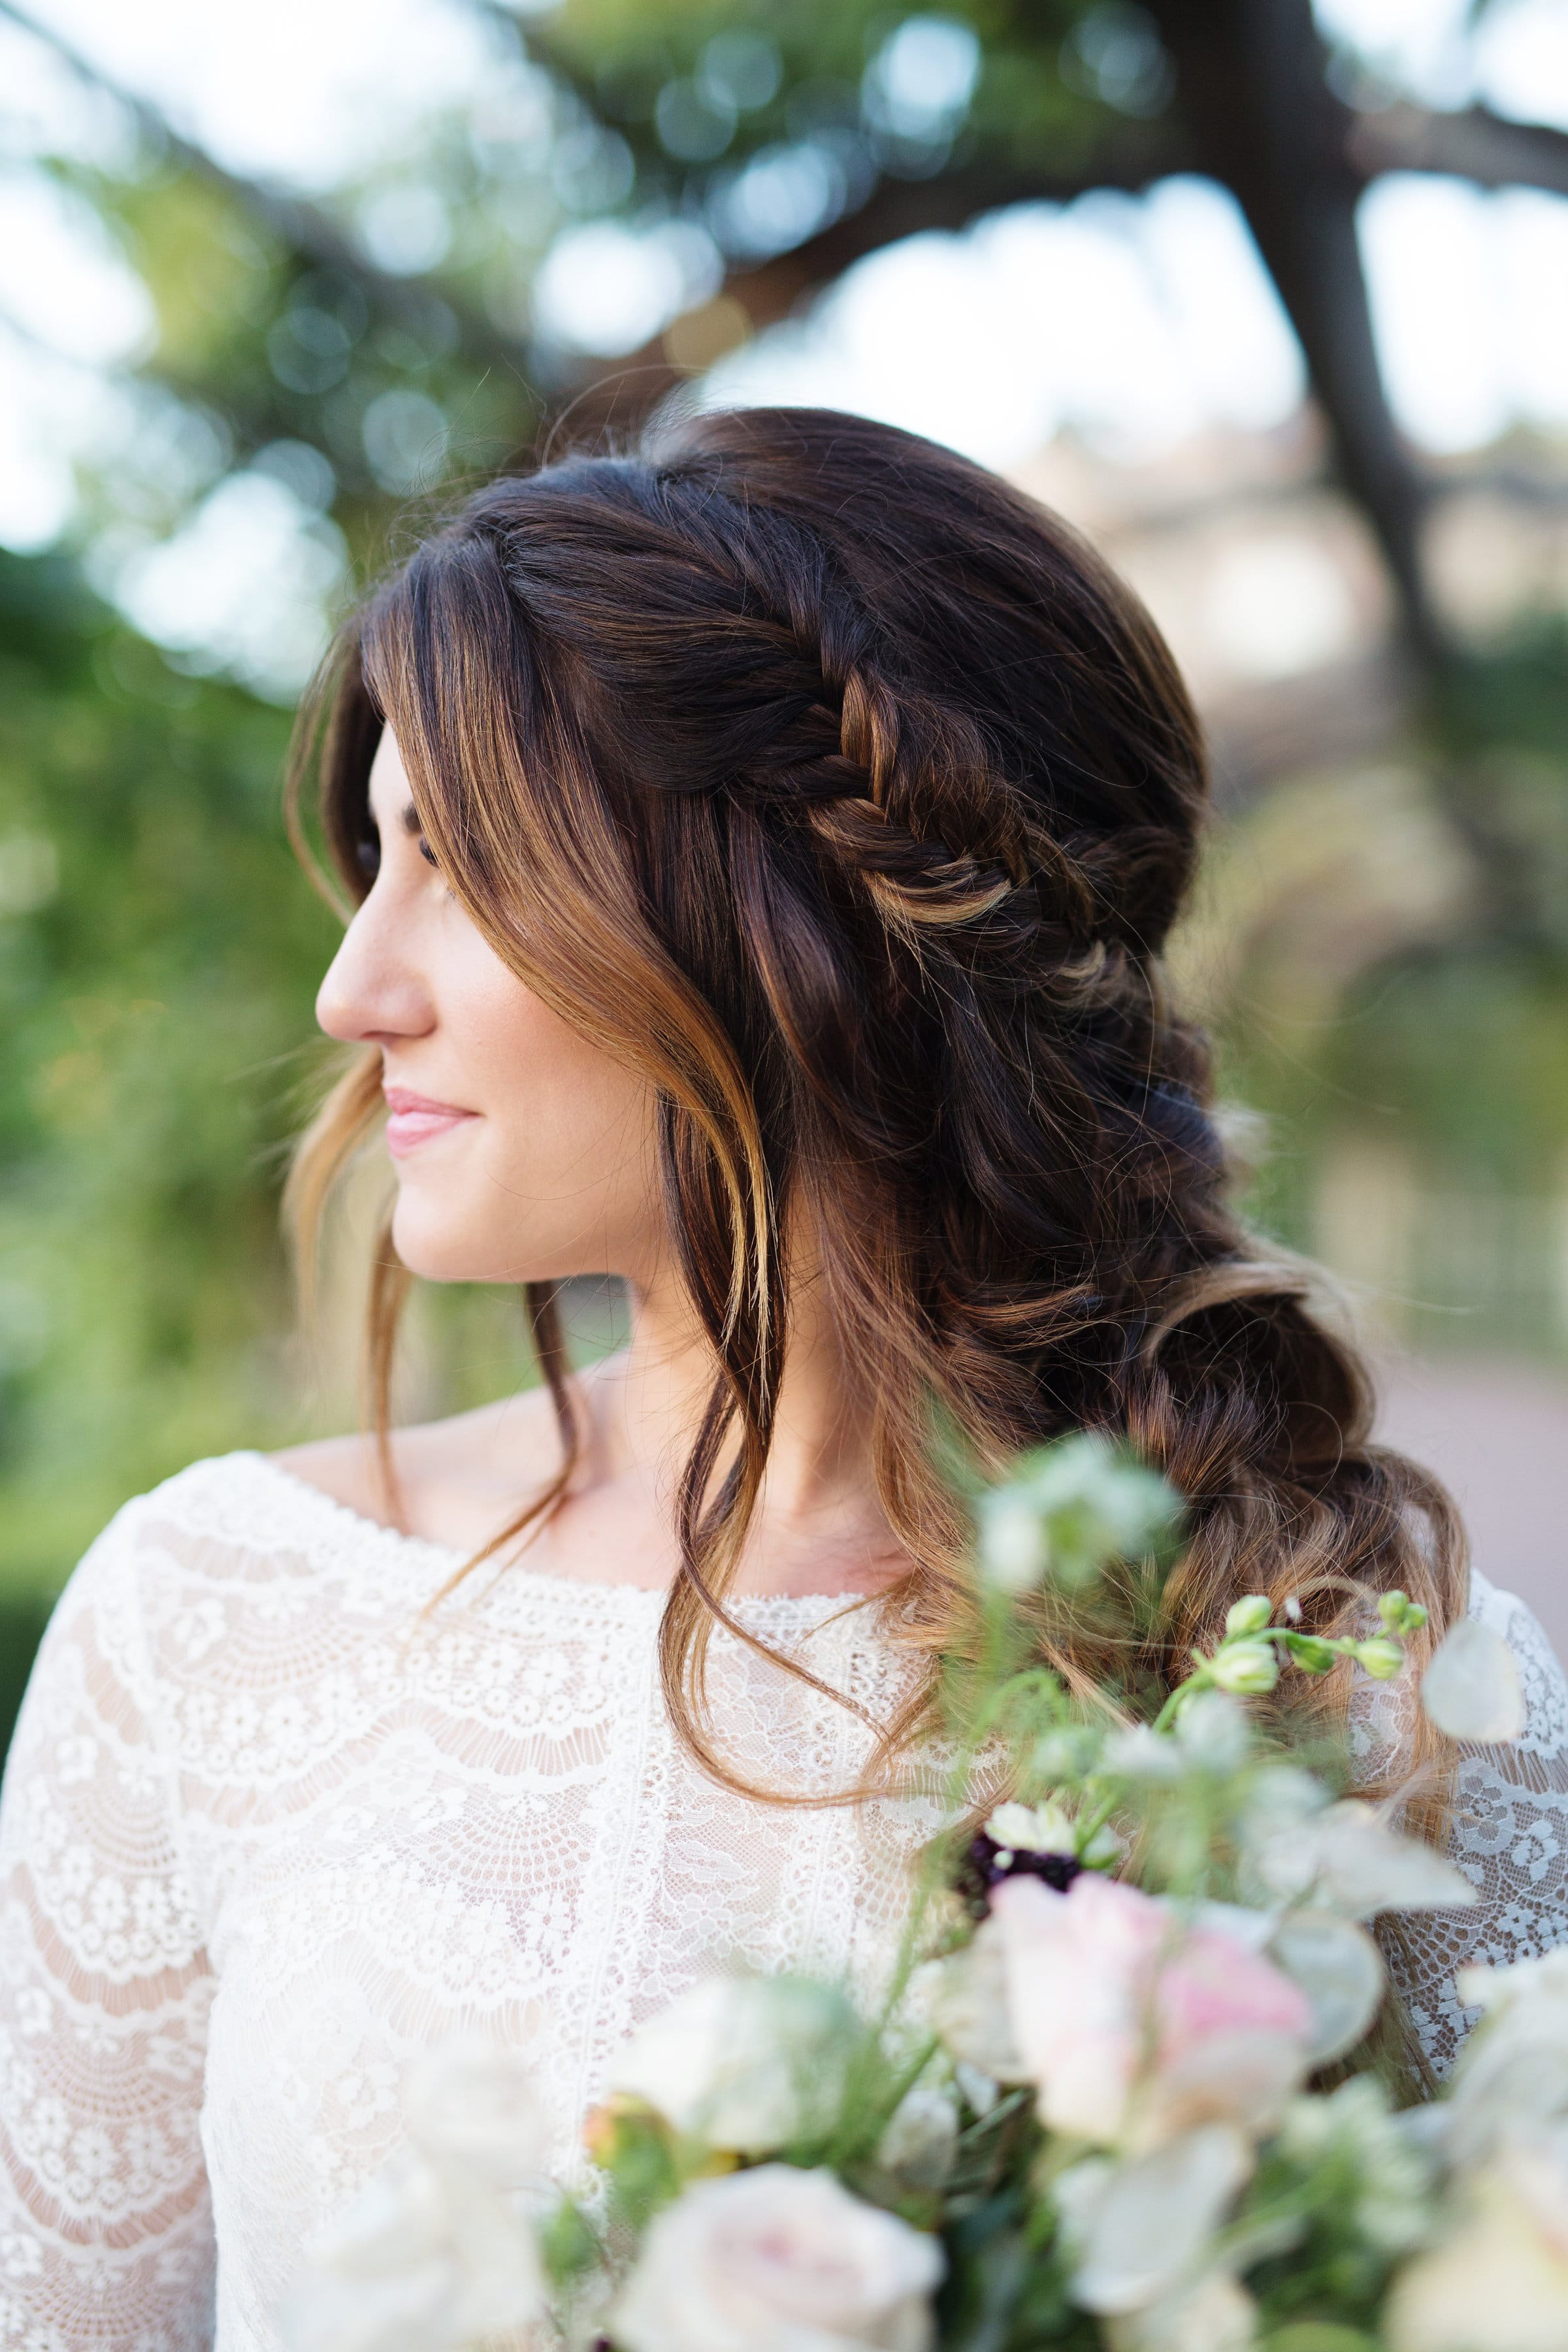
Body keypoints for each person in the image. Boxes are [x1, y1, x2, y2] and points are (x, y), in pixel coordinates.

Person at [0, 407, 1563, 2349]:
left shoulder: (1374, 1692)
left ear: (803, 925)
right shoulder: (210, 1619)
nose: (354, 989)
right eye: (373, 861)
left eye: (462, 866)